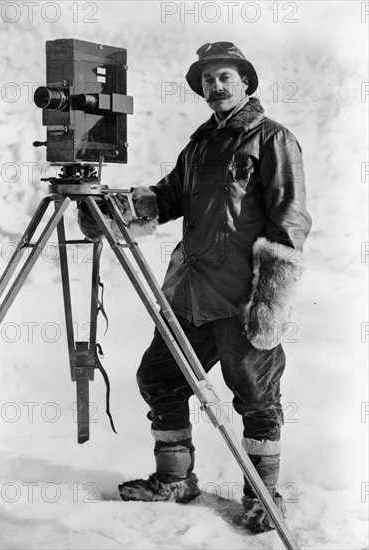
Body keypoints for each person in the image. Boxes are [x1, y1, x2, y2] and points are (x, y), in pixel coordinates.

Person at [78, 41, 312, 533]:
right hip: (188, 293)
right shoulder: (201, 144)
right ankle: (175, 480)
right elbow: (166, 199)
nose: (215, 86)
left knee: (255, 396)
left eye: (224, 76)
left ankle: (260, 496)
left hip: (241, 298)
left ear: (245, 82)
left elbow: (289, 222)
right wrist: (108, 208)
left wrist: (267, 300)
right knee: (160, 378)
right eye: (207, 80)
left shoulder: (273, 140)